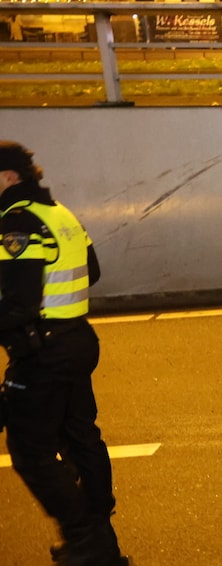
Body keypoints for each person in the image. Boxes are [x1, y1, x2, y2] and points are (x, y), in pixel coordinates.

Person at [0, 142, 127, 566]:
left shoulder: (16, 221)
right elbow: (91, 271)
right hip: (76, 340)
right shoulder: (59, 213)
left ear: (8, 178)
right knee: (80, 438)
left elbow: (19, 304)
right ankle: (101, 538)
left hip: (43, 351)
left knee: (30, 452)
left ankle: (83, 538)